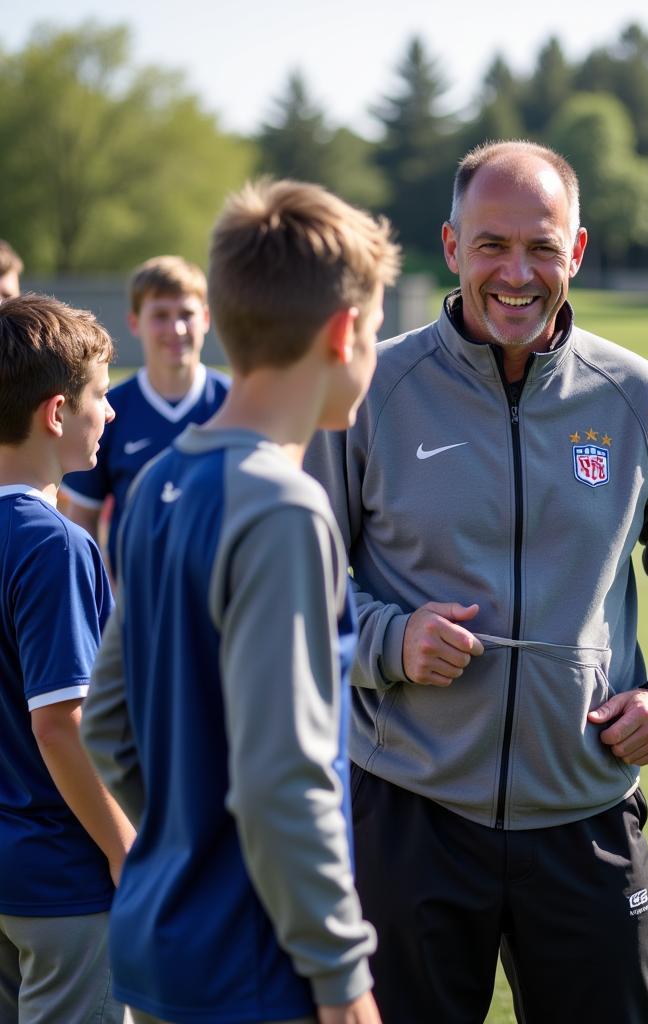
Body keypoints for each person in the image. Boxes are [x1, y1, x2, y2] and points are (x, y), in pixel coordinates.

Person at [304, 139, 648, 1023]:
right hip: (410, 815)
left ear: (576, 253)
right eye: (493, 246)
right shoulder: (372, 391)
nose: (518, 273)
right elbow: (291, 593)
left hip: (586, 815)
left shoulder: (636, 397)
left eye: (542, 247)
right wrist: (392, 641)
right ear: (451, 246)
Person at [81, 179, 400, 1024]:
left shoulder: (153, 485)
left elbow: (106, 725)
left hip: (163, 940)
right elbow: (281, 781)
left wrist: (188, 839)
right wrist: (341, 978)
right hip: (255, 965)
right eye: (373, 330)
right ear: (343, 333)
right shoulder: (285, 509)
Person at [0, 294, 134, 1022]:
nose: (109, 415)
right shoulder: (55, 545)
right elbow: (62, 723)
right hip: (61, 881)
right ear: (57, 413)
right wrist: (123, 849)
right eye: (101, 396)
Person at [62, 255, 229, 582]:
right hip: (136, 606)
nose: (176, 328)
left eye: (187, 314)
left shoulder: (234, 403)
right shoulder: (108, 408)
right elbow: (83, 513)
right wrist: (106, 596)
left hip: (222, 605)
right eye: (160, 315)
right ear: (134, 322)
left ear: (207, 319)